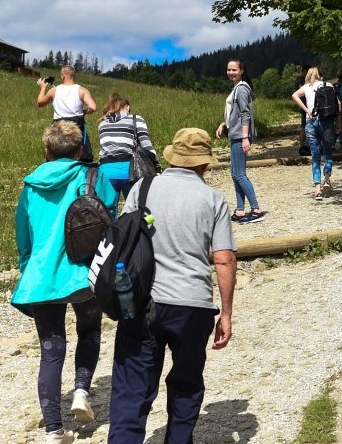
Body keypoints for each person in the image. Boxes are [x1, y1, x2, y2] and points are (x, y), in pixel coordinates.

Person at [108, 127, 237, 444]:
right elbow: (223, 260)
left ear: (173, 158)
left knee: (132, 386)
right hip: (193, 305)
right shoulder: (214, 200)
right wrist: (227, 314)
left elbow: (121, 239)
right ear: (205, 164)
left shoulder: (142, 188)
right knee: (187, 382)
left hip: (142, 301)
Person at [11, 121, 118, 444]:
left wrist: (27, 268)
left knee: (51, 349)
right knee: (89, 331)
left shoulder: (31, 186)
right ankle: (82, 390)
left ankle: (54, 430)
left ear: (47, 151)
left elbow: (23, 237)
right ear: (80, 149)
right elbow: (109, 218)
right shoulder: (95, 177)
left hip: (42, 277)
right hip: (84, 274)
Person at [215, 58, 266, 224]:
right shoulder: (237, 88)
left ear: (242, 70)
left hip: (240, 136)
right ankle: (239, 210)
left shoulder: (242, 89)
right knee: (234, 174)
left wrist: (245, 137)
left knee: (239, 174)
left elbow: (245, 114)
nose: (231, 73)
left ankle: (256, 209)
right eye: (228, 70)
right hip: (235, 133)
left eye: (234, 70)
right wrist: (224, 124)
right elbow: (235, 113)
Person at [97, 93, 162, 199]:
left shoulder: (102, 124)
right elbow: (146, 144)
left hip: (106, 171)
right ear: (127, 107)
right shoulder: (135, 119)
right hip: (130, 171)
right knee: (135, 209)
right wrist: (157, 166)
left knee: (106, 212)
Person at [292, 67, 342, 200]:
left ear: (308, 75)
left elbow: (294, 95)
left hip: (311, 122)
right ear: (321, 75)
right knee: (328, 152)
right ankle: (327, 178)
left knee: (315, 155)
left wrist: (307, 110)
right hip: (327, 121)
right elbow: (338, 104)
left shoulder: (306, 87)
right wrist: (339, 123)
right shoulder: (329, 85)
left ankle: (317, 189)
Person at [36, 65, 97, 162]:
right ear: (74, 76)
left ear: (62, 76)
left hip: (59, 127)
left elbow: (40, 102)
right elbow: (93, 107)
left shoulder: (54, 90)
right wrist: (84, 111)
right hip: (77, 127)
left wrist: (43, 87)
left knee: (56, 156)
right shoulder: (82, 90)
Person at [294, 64, 310, 151]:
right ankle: (302, 145)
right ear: (304, 71)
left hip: (304, 105)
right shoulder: (300, 80)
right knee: (304, 125)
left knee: (304, 125)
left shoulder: (300, 80)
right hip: (304, 105)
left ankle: (304, 144)